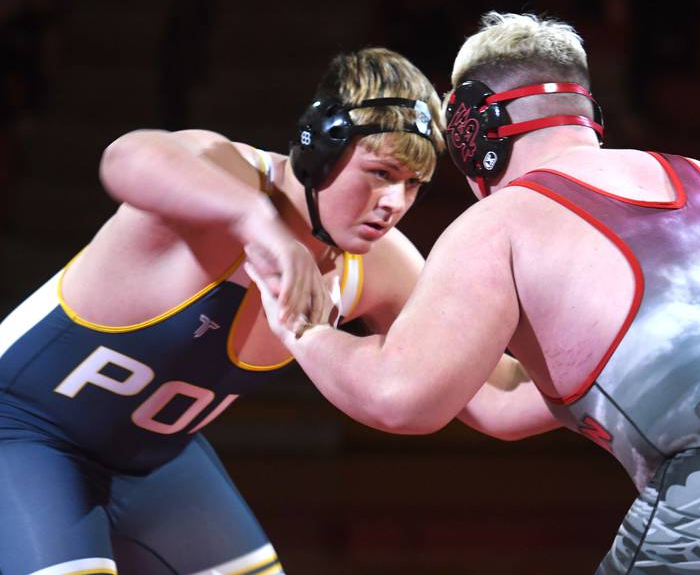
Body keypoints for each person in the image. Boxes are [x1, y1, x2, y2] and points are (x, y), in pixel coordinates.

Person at [251, 13, 700, 573]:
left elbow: (401, 397)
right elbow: (507, 405)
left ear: (469, 130)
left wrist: (305, 330)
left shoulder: (503, 220)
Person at [0, 47, 446, 575]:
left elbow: (483, 394)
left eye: (413, 184)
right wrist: (259, 227)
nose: (394, 202)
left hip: (157, 464)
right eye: (380, 172)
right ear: (319, 150)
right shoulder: (224, 176)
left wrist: (568, 395)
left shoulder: (381, 265)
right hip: (23, 435)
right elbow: (125, 156)